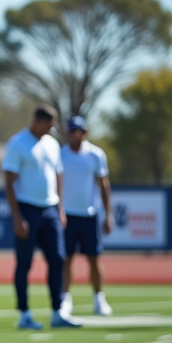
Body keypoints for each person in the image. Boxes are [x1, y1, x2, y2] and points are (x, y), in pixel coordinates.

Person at [2, 105, 80, 330]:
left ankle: (58, 311)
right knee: (24, 263)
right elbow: (9, 182)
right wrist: (17, 217)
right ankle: (25, 314)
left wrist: (60, 208)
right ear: (37, 121)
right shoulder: (18, 143)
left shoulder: (52, 144)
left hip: (50, 210)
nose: (52, 129)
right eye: (49, 124)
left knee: (58, 259)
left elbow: (58, 175)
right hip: (27, 209)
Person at [58, 115, 113, 317]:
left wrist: (108, 215)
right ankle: (65, 299)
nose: (75, 135)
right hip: (67, 216)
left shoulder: (96, 155)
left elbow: (104, 186)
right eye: (72, 131)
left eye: (79, 131)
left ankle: (99, 298)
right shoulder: (60, 154)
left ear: (85, 132)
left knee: (94, 259)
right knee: (66, 259)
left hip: (90, 214)